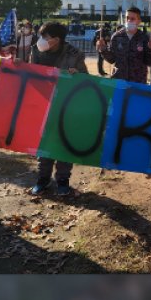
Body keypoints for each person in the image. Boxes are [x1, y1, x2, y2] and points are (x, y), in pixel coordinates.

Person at [26, 22, 87, 196]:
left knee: (63, 143)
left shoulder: (75, 54)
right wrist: (18, 66)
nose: (41, 40)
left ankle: (62, 181)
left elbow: (86, 79)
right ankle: (43, 180)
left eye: (45, 37)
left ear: (56, 40)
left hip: (67, 106)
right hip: (45, 104)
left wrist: (78, 74)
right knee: (45, 143)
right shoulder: (36, 51)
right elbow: (31, 73)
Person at [96, 7, 151, 84]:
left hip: (138, 82)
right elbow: (112, 59)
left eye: (132, 18)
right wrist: (103, 50)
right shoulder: (116, 36)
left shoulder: (144, 38)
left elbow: (149, 62)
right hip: (119, 81)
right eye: (127, 18)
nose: (129, 20)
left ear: (139, 21)